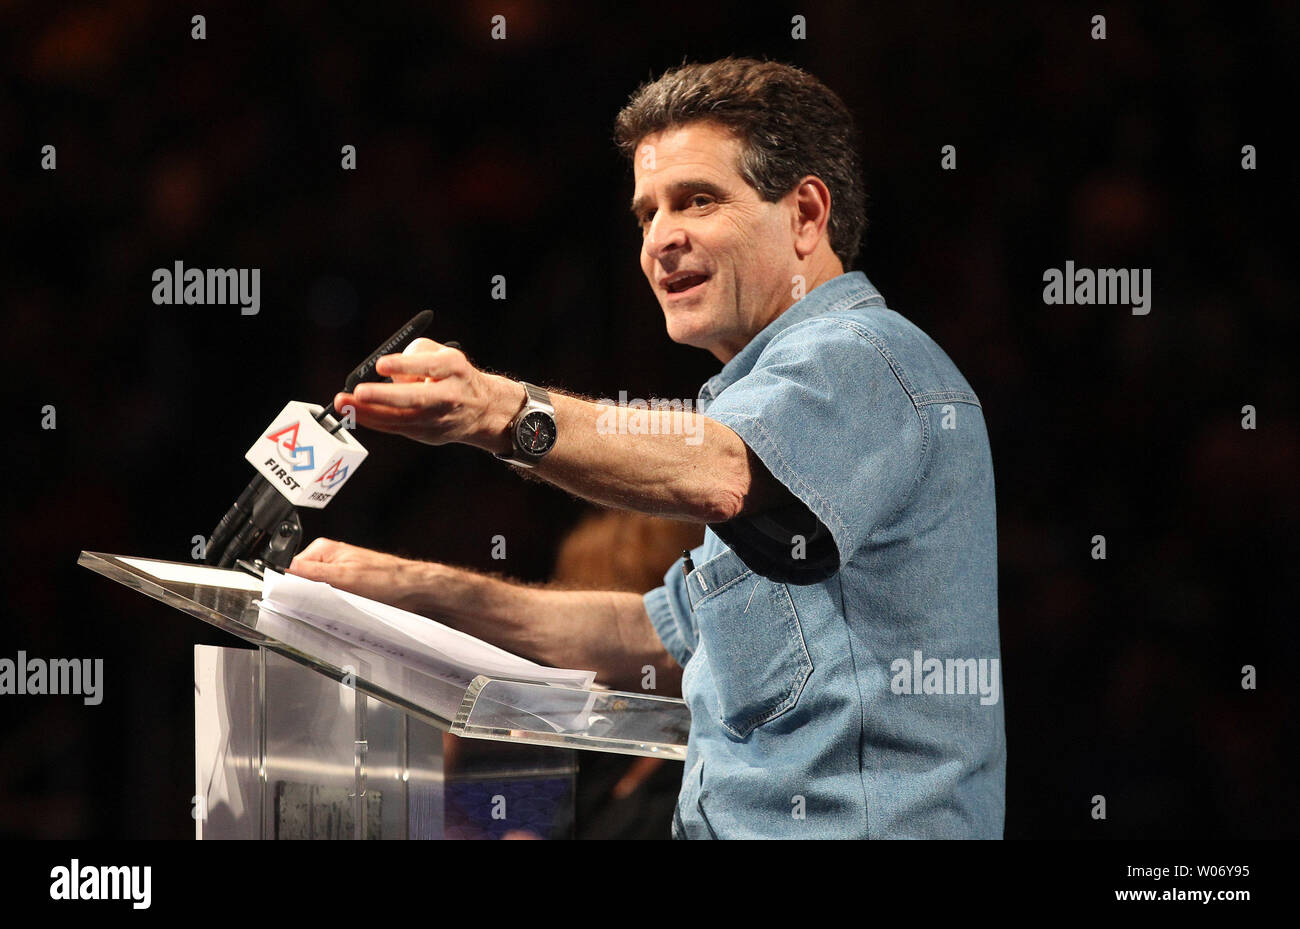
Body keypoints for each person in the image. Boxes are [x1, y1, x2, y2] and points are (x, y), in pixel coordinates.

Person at [288, 57, 1006, 839]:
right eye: (646, 213)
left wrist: (496, 409)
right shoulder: (770, 403)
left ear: (805, 213)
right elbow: (647, 640)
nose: (662, 239)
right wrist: (406, 588)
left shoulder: (861, 356)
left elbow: (718, 471)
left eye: (697, 200)